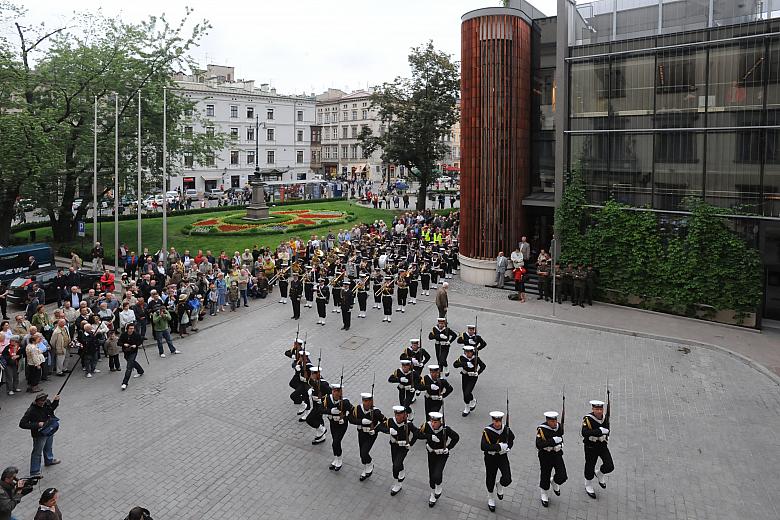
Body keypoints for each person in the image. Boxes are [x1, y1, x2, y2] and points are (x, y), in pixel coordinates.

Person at [416, 411, 459, 507]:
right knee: (431, 474)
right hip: (431, 453)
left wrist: (448, 448)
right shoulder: (427, 426)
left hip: (442, 454)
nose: (433, 424)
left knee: (437, 474)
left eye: (435, 422)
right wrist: (429, 436)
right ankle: (432, 493)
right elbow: (417, 434)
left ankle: (438, 485)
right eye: (432, 421)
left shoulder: (445, 429)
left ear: (440, 422)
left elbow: (456, 437)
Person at [376, 405, 418, 496]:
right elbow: (379, 427)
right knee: (395, 462)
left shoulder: (409, 424)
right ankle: (401, 469)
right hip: (394, 445)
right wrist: (388, 430)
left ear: (404, 415)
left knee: (396, 465)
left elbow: (417, 433)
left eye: (399, 415)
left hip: (403, 448)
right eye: (396, 415)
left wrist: (411, 443)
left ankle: (397, 484)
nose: (397, 417)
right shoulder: (391, 421)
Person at [19, 392, 61, 477]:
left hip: (49, 429)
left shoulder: (47, 403)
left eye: (44, 401)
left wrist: (56, 401)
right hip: (39, 434)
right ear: (36, 401)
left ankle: (49, 460)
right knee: (37, 452)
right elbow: (22, 424)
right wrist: (37, 424)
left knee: (48, 446)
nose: (43, 403)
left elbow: (51, 409)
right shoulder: (31, 410)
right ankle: (34, 471)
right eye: (41, 402)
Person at [481, 410, 515, 512]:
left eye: (499, 421)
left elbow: (512, 439)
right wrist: (498, 446)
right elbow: (483, 446)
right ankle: (490, 497)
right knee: (490, 478)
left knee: (507, 478)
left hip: (502, 457)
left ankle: (499, 485)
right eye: (495, 421)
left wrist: (508, 447)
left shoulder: (506, 429)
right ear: (492, 421)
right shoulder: (487, 431)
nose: (497, 423)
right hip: (490, 458)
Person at [349, 392, 385, 481]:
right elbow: (350, 419)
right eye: (364, 401)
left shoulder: (376, 412)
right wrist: (361, 421)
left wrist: (376, 430)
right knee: (362, 453)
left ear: (371, 402)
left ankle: (369, 464)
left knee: (364, 452)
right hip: (361, 433)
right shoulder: (357, 409)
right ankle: (366, 467)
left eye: (368, 401)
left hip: (371, 435)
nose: (366, 403)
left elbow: (385, 422)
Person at [582, 399, 613, 498]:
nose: (599, 411)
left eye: (600, 409)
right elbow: (584, 433)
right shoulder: (588, 419)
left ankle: (599, 473)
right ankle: (588, 484)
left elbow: (607, 429)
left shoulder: (605, 417)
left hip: (602, 445)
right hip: (591, 446)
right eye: (597, 409)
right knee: (590, 466)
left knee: (609, 465)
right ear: (593, 409)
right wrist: (598, 431)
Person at [537, 410, 567, 507]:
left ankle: (554, 481)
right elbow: (539, 444)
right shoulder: (541, 430)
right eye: (552, 421)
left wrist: (561, 443)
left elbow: (560, 437)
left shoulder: (558, 427)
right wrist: (552, 441)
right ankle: (544, 493)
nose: (554, 423)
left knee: (562, 475)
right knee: (545, 474)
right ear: (547, 421)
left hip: (557, 454)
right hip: (545, 455)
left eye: (555, 420)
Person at [323, 383, 351, 472]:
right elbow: (320, 409)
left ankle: (339, 460)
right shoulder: (328, 399)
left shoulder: (345, 402)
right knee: (335, 441)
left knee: (336, 442)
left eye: (338, 391)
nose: (336, 393)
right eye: (334, 391)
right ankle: (336, 458)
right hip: (333, 424)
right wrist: (330, 411)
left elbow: (353, 412)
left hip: (342, 425)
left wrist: (345, 417)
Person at [452, 345, 486, 416]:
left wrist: (477, 373)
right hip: (465, 376)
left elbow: (483, 366)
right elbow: (455, 365)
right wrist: (465, 364)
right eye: (465, 352)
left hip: (473, 377)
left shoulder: (476, 359)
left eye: (468, 352)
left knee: (467, 392)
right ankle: (467, 407)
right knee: (465, 393)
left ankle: (472, 401)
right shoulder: (462, 358)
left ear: (472, 352)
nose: (467, 354)